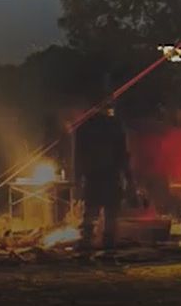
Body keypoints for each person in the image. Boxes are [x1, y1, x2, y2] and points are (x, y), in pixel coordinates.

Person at [74, 103, 133, 251]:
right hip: (109, 175)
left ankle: (87, 244)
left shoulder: (84, 128)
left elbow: (78, 157)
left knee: (92, 212)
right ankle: (107, 245)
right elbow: (123, 155)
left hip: (94, 176)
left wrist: (78, 179)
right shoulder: (114, 126)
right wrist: (129, 179)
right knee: (110, 214)